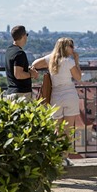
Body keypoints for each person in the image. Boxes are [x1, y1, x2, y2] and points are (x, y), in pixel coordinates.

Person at [31, 37, 81, 166]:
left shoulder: (50, 59)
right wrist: (76, 61)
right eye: (71, 46)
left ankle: (55, 157)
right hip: (70, 95)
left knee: (57, 129)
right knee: (68, 130)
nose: (73, 49)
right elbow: (78, 77)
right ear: (65, 47)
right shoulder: (69, 61)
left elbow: (35, 64)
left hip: (56, 96)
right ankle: (64, 157)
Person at [5, 25, 38, 100]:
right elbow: (18, 74)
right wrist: (31, 74)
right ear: (23, 36)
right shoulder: (20, 53)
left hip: (11, 92)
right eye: (26, 35)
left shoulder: (9, 50)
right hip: (21, 94)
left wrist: (27, 69)